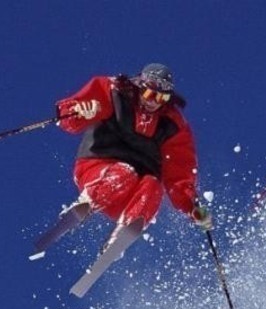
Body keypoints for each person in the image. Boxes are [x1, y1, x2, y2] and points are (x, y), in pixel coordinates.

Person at [36, 63, 212, 285]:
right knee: (124, 173)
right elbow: (72, 113)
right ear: (139, 85)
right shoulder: (113, 90)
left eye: (161, 99)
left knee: (152, 186)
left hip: (129, 196)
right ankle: (88, 202)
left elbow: (179, 172)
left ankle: (124, 232)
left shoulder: (173, 125)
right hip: (98, 167)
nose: (152, 102)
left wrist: (191, 206)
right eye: (149, 93)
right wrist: (78, 111)